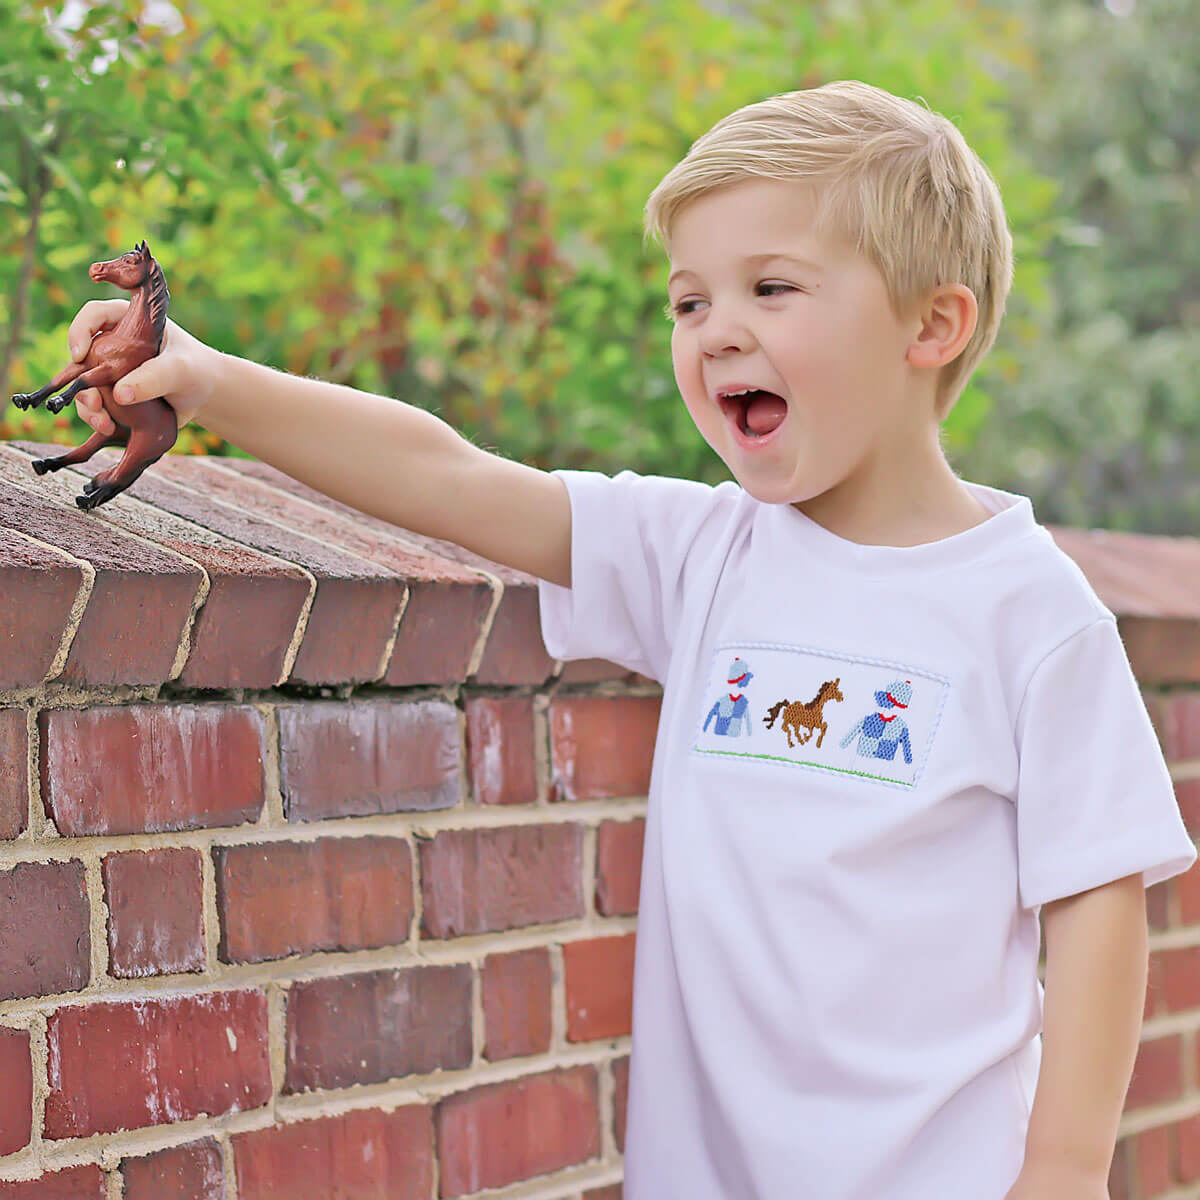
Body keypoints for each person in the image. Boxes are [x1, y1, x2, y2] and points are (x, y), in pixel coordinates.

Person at [65, 80, 1195, 1200]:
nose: (718, 332)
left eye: (771, 286)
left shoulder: (1029, 613)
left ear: (930, 324)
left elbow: (1097, 899)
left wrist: (1062, 1174)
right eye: (688, 302)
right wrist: (206, 376)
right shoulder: (701, 553)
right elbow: (445, 474)